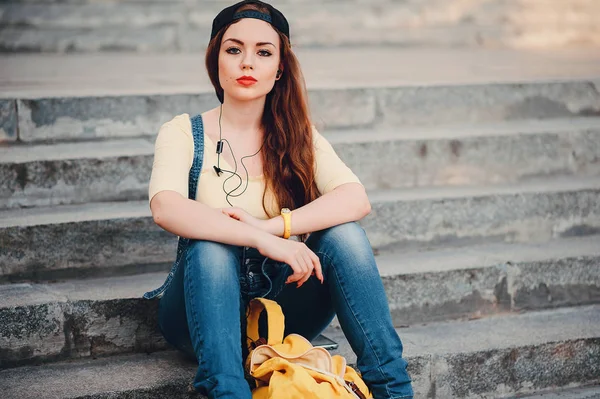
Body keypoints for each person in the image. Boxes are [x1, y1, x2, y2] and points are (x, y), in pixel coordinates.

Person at [144, 1, 414, 398]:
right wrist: (261, 241)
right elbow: (165, 207)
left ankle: (393, 388)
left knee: (345, 236)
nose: (247, 63)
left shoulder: (297, 134)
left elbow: (355, 198)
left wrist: (274, 227)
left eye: (263, 52)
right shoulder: (184, 132)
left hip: (281, 308)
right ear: (215, 60)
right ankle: (225, 391)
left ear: (279, 68)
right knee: (210, 245)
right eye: (233, 50)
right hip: (201, 307)